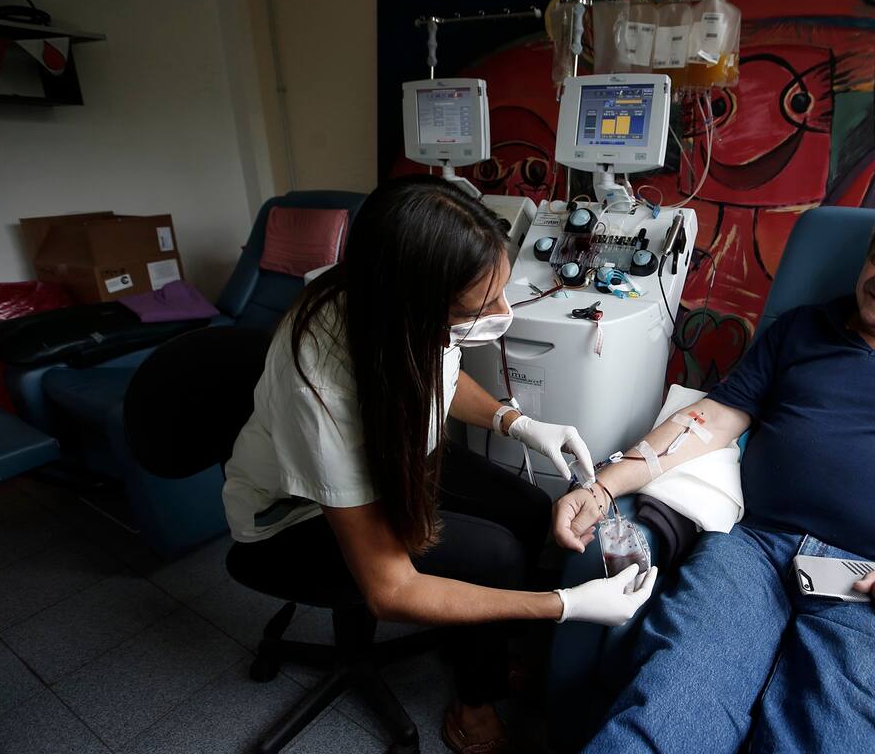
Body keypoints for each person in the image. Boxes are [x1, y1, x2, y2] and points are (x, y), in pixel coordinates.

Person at [553, 191, 875, 752]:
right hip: (754, 553)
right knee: (669, 704)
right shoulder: (801, 330)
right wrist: (602, 485)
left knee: (846, 738)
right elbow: (711, 419)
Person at [222, 175, 657, 754]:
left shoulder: (394, 304)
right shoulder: (323, 388)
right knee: (492, 558)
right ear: (420, 304)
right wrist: (566, 607)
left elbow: (440, 376)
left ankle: (494, 651)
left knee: (530, 509)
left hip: (389, 454)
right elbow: (390, 590)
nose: (503, 312)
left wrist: (516, 422)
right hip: (294, 519)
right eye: (483, 307)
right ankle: (473, 702)